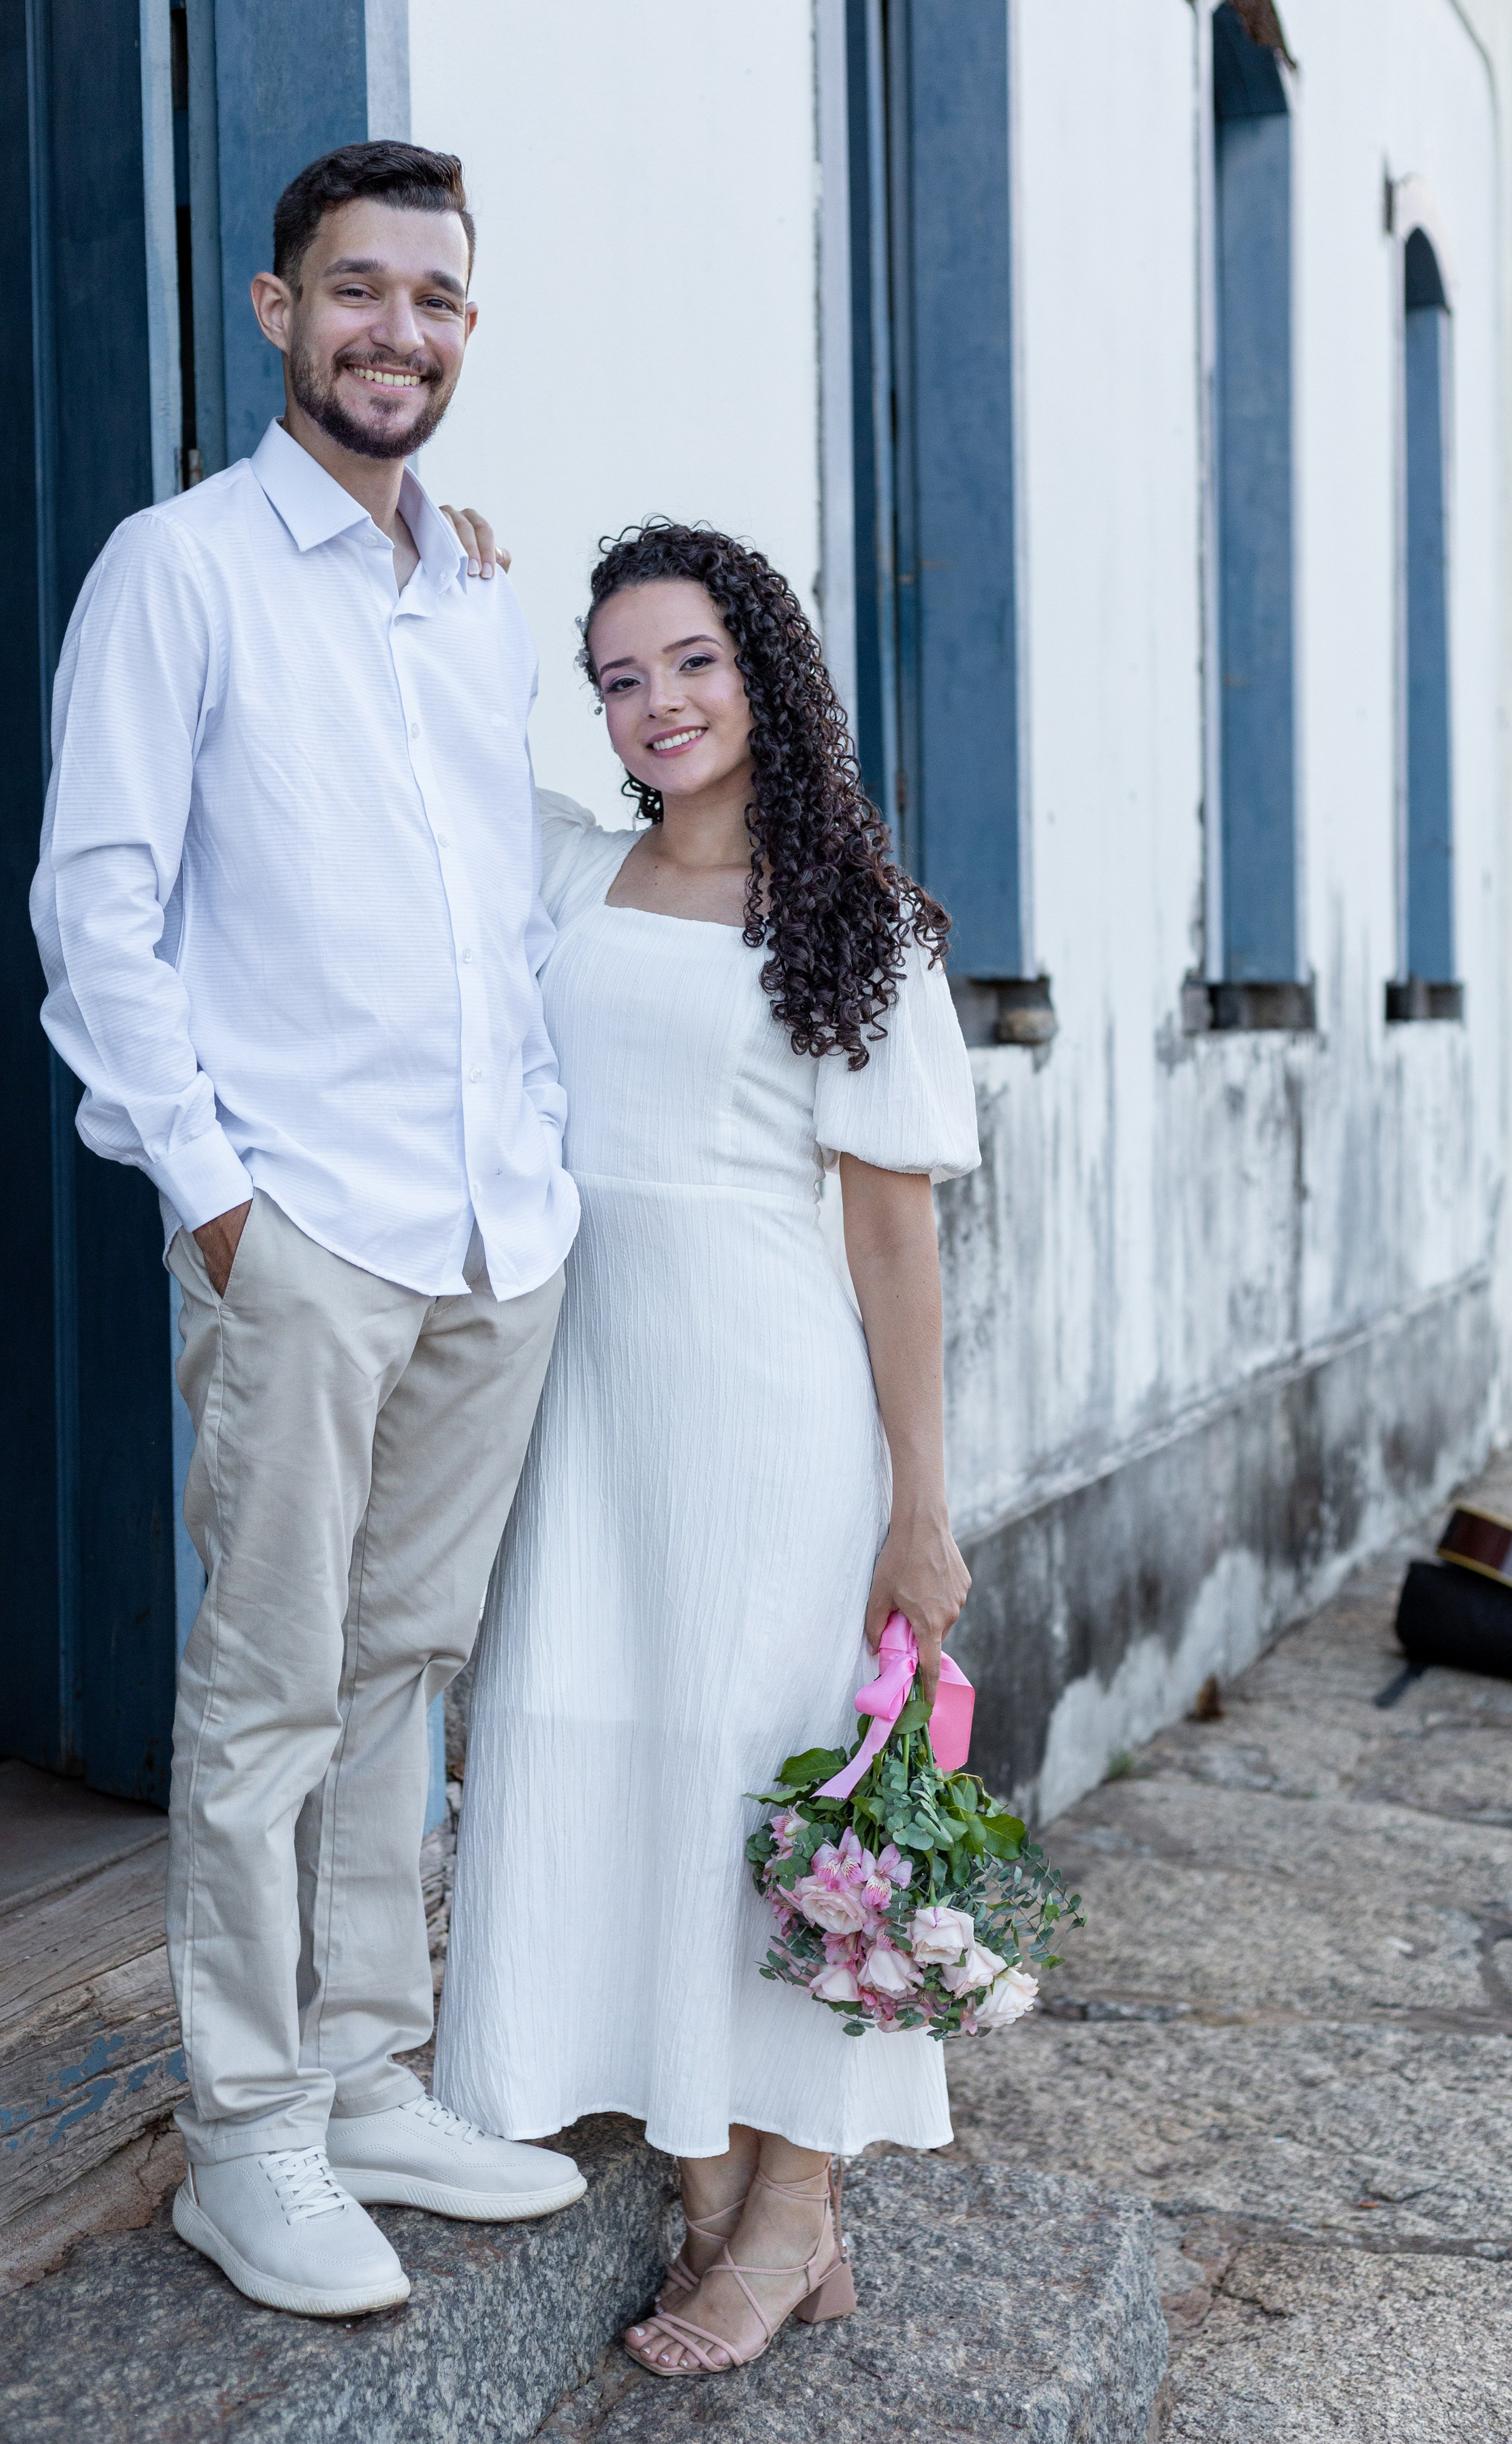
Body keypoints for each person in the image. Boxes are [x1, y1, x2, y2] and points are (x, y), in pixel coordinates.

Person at [30, 141, 587, 2321]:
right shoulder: (176, 572)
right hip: (305, 1227)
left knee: (402, 1673)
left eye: (437, 299)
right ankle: (243, 2136)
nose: (399, 334)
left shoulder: (478, 594)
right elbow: (98, 906)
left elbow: (495, 886)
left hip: (488, 1230)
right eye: (358, 292)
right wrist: (221, 1199)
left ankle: (365, 2070)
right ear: (278, 314)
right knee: (266, 1694)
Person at [433, 521, 981, 2377]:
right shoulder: (567, 878)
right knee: (634, 1780)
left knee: (777, 1807)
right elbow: (407, 745)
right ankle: (706, 2184)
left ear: (764, 671)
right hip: (585, 1412)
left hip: (772, 1420)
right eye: (616, 675)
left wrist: (922, 1503)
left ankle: (796, 2204)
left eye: (690, 662)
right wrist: (431, 567)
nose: (655, 702)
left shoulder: (860, 933)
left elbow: (895, 1239)